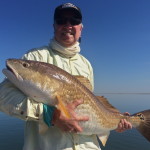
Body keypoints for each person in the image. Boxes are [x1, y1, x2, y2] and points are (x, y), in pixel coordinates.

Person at [0, 3, 132, 150]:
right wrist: (49, 114)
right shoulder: (36, 56)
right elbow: (3, 96)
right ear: (54, 26)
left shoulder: (86, 64)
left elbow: (95, 108)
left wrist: (116, 122)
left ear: (80, 28)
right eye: (61, 20)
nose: (68, 25)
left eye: (74, 21)